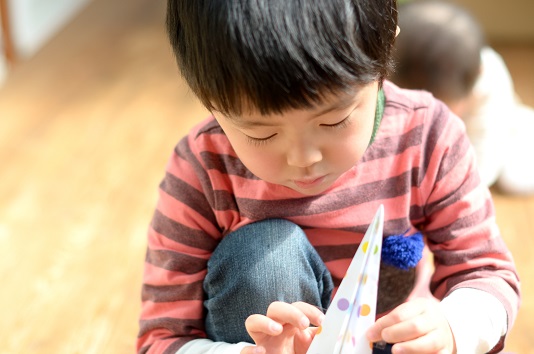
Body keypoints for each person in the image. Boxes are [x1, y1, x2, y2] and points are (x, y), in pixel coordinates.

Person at [137, 0, 520, 353]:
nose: (304, 158)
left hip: (388, 340)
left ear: (386, 50)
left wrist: (453, 326)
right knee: (267, 256)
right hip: (259, 343)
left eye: (334, 120)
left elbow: (487, 272)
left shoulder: (428, 134)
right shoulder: (202, 166)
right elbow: (163, 337)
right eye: (261, 133)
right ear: (206, 99)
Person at [391, 0, 534, 195]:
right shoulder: (390, 77)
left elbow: (484, 155)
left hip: (493, 129)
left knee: (514, 179)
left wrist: (457, 191)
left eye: (441, 106)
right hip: (427, 138)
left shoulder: (489, 82)